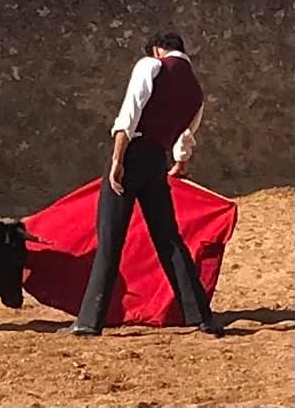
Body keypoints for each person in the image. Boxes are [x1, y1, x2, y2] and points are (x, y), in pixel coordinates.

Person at [59, 31, 224, 338]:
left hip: (133, 155)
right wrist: (180, 163)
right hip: (156, 162)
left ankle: (89, 321)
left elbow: (129, 114)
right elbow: (186, 136)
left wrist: (117, 160)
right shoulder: (195, 91)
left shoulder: (151, 65)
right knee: (168, 238)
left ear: (158, 49)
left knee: (111, 237)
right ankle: (201, 317)